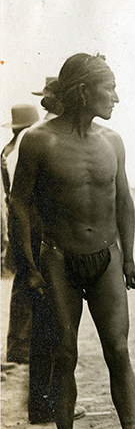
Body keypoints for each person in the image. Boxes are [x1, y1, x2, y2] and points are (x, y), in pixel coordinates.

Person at [8, 53, 135, 429]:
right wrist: (29, 264)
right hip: (58, 261)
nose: (116, 98)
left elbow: (123, 200)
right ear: (83, 91)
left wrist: (128, 256)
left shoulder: (113, 142)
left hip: (106, 260)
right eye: (109, 89)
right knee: (64, 353)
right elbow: (18, 203)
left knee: (119, 351)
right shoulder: (38, 140)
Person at [3, 104, 41, 364]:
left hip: (18, 226)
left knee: (23, 289)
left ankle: (18, 351)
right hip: (30, 226)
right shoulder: (22, 152)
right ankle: (21, 356)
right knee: (32, 289)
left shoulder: (7, 151)